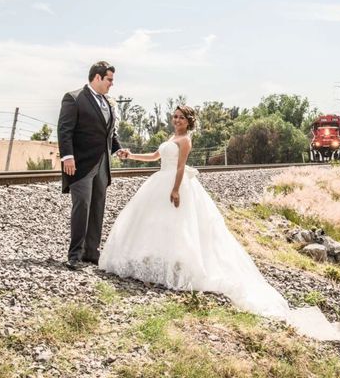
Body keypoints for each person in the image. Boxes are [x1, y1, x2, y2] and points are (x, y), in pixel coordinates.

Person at [99, 105, 290, 319]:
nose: (177, 120)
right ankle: (156, 264)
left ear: (189, 121)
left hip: (174, 183)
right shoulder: (172, 137)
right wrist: (131, 154)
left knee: (178, 226)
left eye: (181, 117)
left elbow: (180, 167)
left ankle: (176, 268)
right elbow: (155, 157)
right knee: (155, 224)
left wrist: (175, 189)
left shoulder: (185, 140)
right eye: (175, 116)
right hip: (159, 180)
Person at [58, 61, 128, 270]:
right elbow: (64, 130)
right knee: (82, 207)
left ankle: (91, 252)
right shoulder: (74, 98)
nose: (111, 84)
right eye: (109, 80)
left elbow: (109, 133)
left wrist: (118, 149)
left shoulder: (108, 102)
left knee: (97, 208)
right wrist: (68, 157)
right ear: (97, 77)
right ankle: (75, 255)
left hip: (103, 165)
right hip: (80, 164)